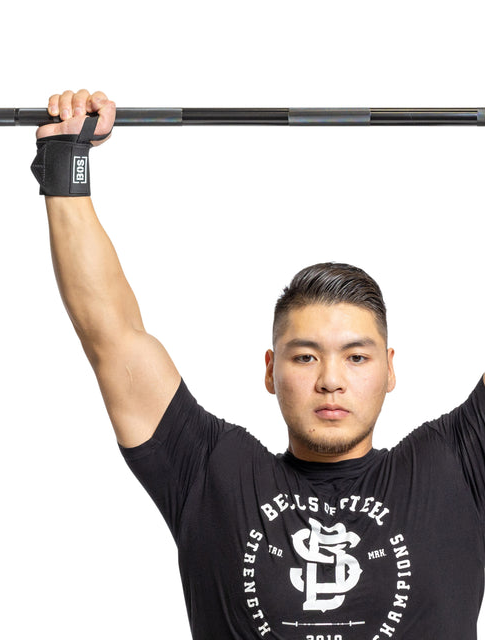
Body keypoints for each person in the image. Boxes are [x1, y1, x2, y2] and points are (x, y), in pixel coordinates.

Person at [31, 89, 485, 639]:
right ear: (270, 370)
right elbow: (113, 336)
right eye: (305, 356)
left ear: (389, 369)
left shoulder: (454, 469)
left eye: (356, 356)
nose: (331, 380)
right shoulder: (215, 474)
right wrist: (65, 167)